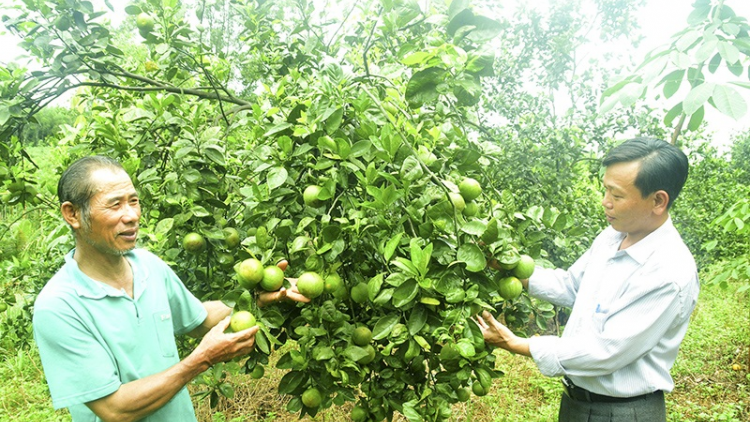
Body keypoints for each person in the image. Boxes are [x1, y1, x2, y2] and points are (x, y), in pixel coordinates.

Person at [33, 155, 308, 422]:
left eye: (134, 202)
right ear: (73, 214)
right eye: (115, 205)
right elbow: (115, 410)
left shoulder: (149, 266)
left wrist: (257, 297)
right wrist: (202, 359)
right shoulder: (59, 306)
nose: (131, 216)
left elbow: (198, 318)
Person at [476, 137, 699, 422]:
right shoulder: (612, 236)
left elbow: (606, 352)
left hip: (623, 412)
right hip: (577, 404)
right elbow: (572, 286)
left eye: (616, 196)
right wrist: (510, 269)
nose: (605, 203)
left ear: (657, 200)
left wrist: (516, 343)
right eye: (605, 189)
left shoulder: (669, 272)